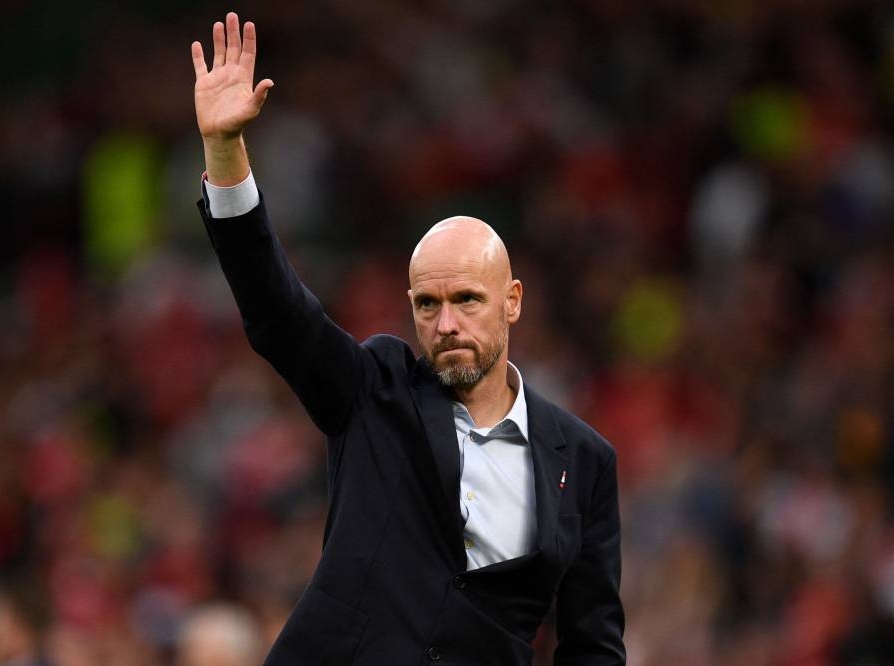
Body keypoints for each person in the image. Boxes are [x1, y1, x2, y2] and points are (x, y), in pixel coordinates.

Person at [191, 12, 625, 665]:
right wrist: (226, 154)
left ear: (512, 303)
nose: (445, 323)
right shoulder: (375, 388)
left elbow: (592, 644)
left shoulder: (584, 461)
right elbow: (279, 312)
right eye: (427, 304)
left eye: (467, 300)